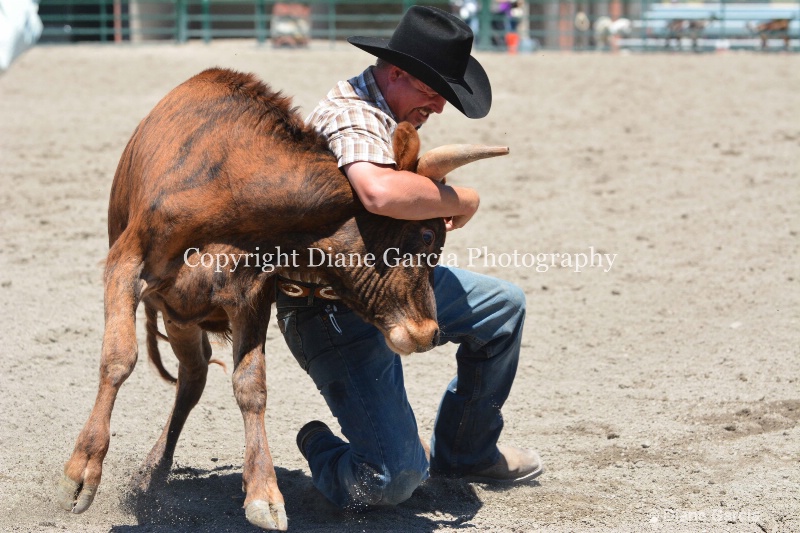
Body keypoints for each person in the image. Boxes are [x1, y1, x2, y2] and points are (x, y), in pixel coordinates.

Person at [276, 5, 542, 511]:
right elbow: (377, 193)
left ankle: (465, 451)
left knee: (503, 308)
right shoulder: (351, 112)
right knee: (390, 480)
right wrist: (462, 200)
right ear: (396, 72)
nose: (439, 106)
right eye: (431, 91)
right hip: (328, 307)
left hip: (391, 282)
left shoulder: (384, 113)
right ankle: (320, 445)